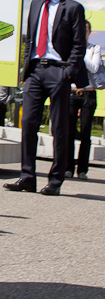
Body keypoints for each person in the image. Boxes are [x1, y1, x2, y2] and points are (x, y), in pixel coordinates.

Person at [3, 0, 86, 196]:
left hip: (58, 71)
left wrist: (67, 72)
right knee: (28, 122)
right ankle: (27, 176)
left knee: (59, 127)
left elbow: (80, 45)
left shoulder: (72, 8)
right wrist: (26, 71)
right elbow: (30, 40)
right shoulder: (35, 4)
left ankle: (56, 180)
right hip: (35, 72)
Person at [65, 20, 99, 180]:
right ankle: (68, 167)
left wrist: (81, 53)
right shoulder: (70, 48)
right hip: (72, 93)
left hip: (88, 94)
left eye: (85, 30)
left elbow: (94, 67)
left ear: (89, 32)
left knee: (86, 132)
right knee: (69, 132)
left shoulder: (94, 48)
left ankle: (83, 169)